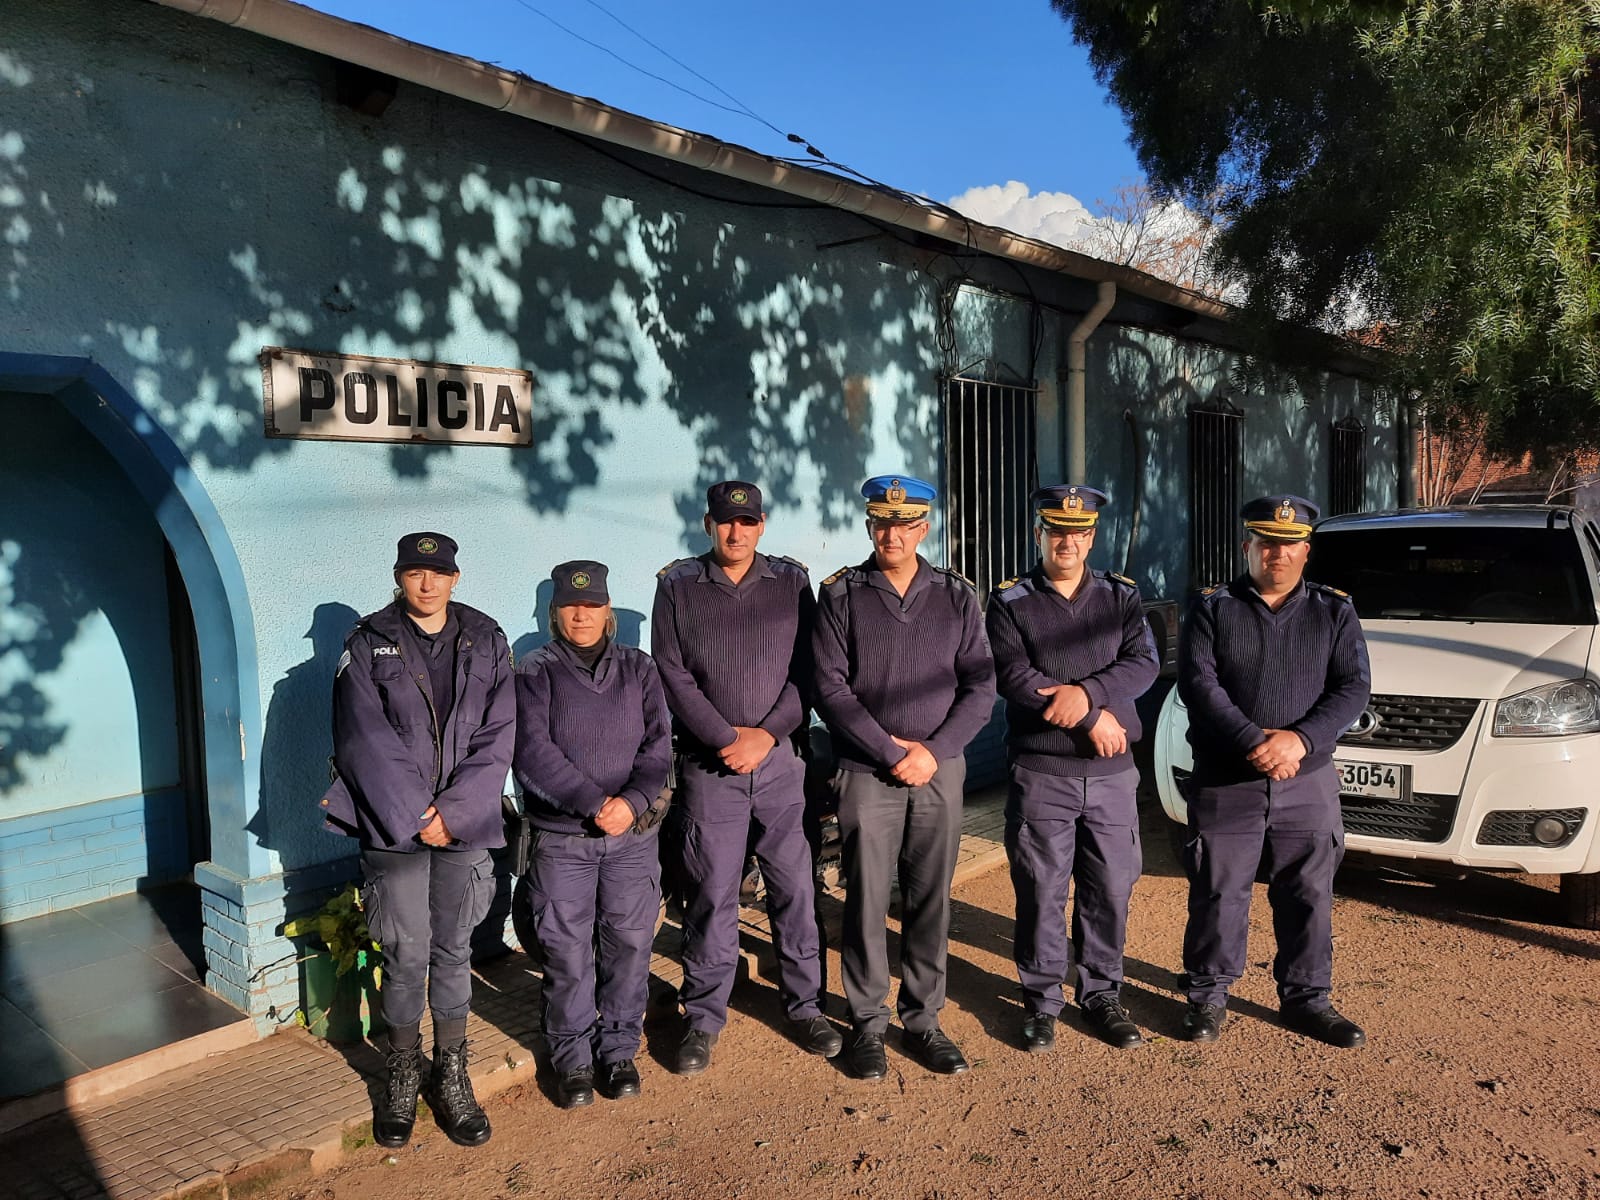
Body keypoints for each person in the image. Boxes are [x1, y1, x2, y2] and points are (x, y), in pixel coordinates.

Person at [320, 532, 514, 1149]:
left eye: (438, 572)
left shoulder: (487, 639)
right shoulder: (367, 642)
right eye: (414, 572)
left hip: (464, 824)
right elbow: (361, 739)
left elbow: (499, 733)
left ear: (456, 578)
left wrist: (452, 811)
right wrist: (416, 813)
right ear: (399, 577)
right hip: (393, 826)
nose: (427, 583)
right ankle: (403, 1069)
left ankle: (451, 1072)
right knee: (405, 954)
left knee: (454, 949)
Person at [811, 475, 996, 1081]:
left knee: (930, 897)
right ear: (869, 527)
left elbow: (980, 685)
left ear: (924, 528)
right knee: (864, 897)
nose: (892, 533)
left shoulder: (955, 596)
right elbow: (829, 688)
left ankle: (924, 1019)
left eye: (905, 522)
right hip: (868, 770)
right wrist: (889, 750)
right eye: (881, 522)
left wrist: (933, 751)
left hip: (939, 771)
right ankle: (868, 1022)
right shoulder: (841, 595)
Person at [651, 481, 839, 1075]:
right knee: (711, 895)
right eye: (726, 522)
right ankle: (703, 1016)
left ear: (763, 524)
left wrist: (765, 734)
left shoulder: (790, 583)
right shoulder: (678, 586)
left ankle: (806, 1005)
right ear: (709, 524)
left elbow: (811, 667)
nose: (737, 533)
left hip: (781, 764)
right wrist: (726, 739)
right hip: (712, 769)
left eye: (748, 522)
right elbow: (672, 673)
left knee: (795, 889)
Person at [1176, 495, 1371, 1048]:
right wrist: (1252, 741)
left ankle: (1307, 1000)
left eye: (1289, 545)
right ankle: (1209, 997)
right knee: (1219, 890)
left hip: (1306, 779)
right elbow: (1199, 684)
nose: (1277, 554)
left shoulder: (1334, 611)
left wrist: (1300, 740)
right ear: (1248, 547)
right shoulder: (1213, 608)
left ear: (1306, 551)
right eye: (1266, 543)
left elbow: (1353, 687)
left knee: (1308, 892)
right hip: (1226, 776)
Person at [986, 485, 1160, 1053]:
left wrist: (1086, 697)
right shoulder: (1010, 602)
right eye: (1057, 531)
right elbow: (1012, 674)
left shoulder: (1120, 597)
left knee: (1110, 886)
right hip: (1043, 772)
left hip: (1111, 773)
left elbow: (1144, 663)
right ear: (1040, 533)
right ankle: (1040, 1001)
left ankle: (1102, 994)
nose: (1068, 541)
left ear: (1091, 536)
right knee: (1041, 888)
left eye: (1079, 532)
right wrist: (1090, 719)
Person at [513, 561, 672, 1108]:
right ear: (555, 613)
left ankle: (619, 1049)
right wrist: (591, 802)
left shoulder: (639, 669)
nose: (582, 614)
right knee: (567, 952)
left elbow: (658, 750)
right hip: (563, 841)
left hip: (631, 839)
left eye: (593, 604)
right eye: (570, 605)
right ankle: (572, 1059)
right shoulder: (534, 671)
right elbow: (532, 752)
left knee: (630, 944)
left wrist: (628, 803)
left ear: (608, 610)